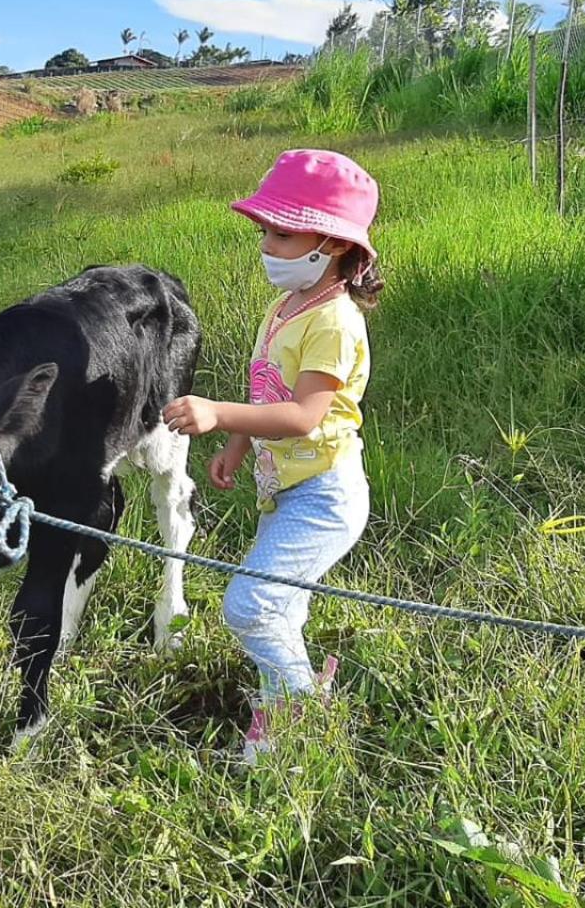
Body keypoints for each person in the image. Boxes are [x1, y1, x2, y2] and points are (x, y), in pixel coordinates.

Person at [161, 149, 381, 763]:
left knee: (251, 605)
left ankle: (294, 717)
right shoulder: (286, 306)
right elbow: (269, 388)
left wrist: (219, 414)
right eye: (264, 232)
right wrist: (238, 442)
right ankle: (288, 701)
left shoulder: (334, 322)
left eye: (283, 234)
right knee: (280, 608)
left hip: (324, 495)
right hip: (285, 488)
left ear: (333, 244)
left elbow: (306, 415)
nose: (267, 247)